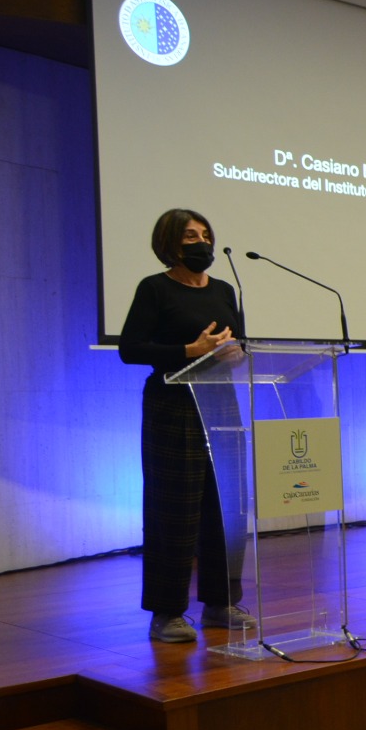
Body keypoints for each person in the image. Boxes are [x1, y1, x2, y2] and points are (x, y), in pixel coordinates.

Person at [119, 208, 254, 643]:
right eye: (190, 236)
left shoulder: (224, 289)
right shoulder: (155, 289)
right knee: (173, 508)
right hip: (173, 404)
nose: (201, 243)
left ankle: (220, 603)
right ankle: (167, 612)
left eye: (205, 234)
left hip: (220, 401)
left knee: (228, 507)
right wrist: (189, 348)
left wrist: (236, 353)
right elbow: (130, 348)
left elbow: (241, 342)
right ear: (171, 245)